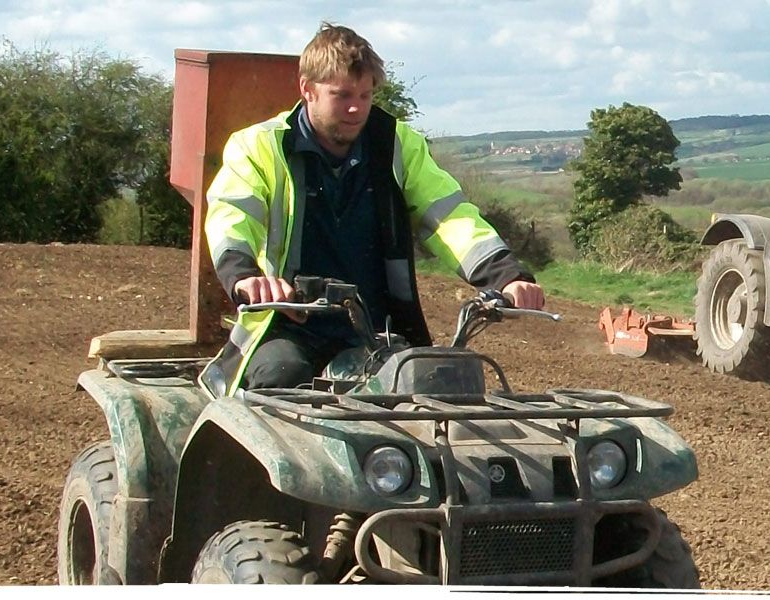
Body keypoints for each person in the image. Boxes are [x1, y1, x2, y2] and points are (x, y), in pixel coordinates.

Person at [198, 22, 544, 396]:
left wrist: (505, 275)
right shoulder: (261, 146)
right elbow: (234, 213)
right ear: (307, 90)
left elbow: (448, 215)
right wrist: (244, 275)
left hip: (377, 332)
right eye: (342, 94)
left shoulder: (395, 145)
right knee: (279, 381)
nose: (355, 108)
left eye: (365, 95)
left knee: (433, 395)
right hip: (289, 326)